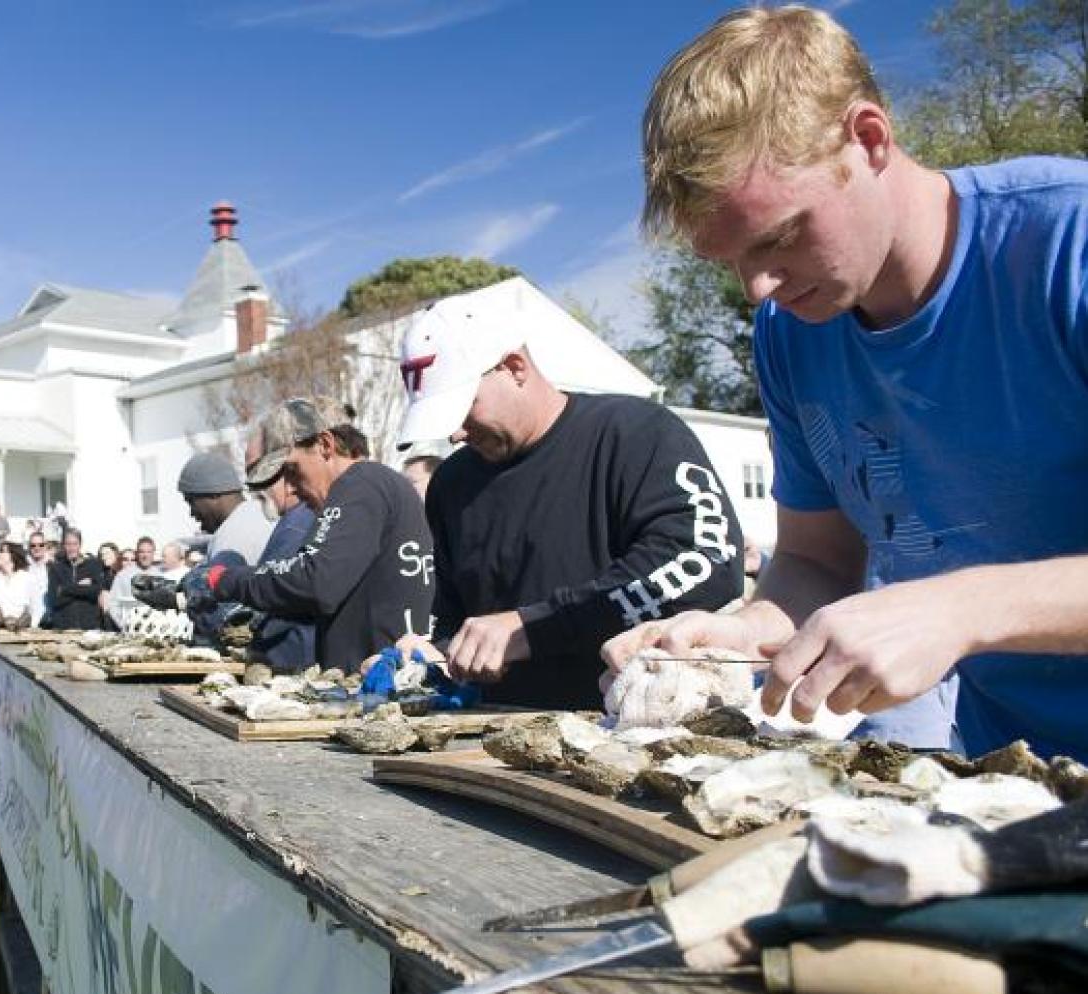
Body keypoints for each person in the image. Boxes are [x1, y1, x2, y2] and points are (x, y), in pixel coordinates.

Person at [604, 4, 1088, 761]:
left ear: (867, 140)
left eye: (779, 237)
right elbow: (817, 561)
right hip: (1018, 769)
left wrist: (962, 608)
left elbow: (951, 611)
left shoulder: (1067, 243)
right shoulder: (791, 331)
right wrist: (744, 633)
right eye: (729, 261)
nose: (758, 289)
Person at [395, 289, 745, 710]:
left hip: (629, 727)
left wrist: (533, 629)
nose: (455, 434)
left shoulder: (635, 434)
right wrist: (437, 655)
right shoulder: (452, 483)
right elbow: (456, 618)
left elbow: (704, 564)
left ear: (515, 367)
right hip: (494, 736)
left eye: (464, 409)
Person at [167, 398, 434, 673]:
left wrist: (222, 579)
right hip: (380, 673)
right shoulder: (375, 485)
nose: (292, 488)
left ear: (325, 446)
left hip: (382, 680)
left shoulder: (360, 484)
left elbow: (317, 582)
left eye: (293, 471)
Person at [240, 420, 317, 672]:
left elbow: (266, 597)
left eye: (258, 470)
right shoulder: (292, 520)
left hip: (295, 665)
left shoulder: (298, 522)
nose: (253, 485)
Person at [176, 451, 272, 565]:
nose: (192, 513)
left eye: (192, 502)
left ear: (213, 493)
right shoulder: (263, 514)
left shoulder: (230, 538)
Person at [45, 528, 104, 630]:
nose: (71, 548)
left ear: (80, 545)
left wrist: (64, 589)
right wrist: (81, 588)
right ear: (63, 545)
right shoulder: (56, 568)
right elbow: (54, 599)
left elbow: (95, 591)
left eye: (74, 544)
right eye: (68, 544)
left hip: (88, 625)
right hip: (63, 626)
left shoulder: (92, 565)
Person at [103, 536, 160, 629]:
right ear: (137, 553)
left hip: (154, 629)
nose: (145, 555)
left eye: (149, 552)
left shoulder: (161, 575)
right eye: (142, 552)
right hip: (129, 630)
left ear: (153, 553)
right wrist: (123, 624)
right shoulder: (122, 576)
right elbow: (113, 603)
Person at [0, 542, 34, 629]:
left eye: (2, 551)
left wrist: (22, 623)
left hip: (22, 631)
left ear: (12, 555)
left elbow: (32, 607)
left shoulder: (26, 577)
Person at [26, 530, 50, 627]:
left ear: (45, 546)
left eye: (40, 545)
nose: (37, 548)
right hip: (28, 622)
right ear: (29, 547)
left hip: (49, 622)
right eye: (33, 545)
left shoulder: (53, 567)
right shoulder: (23, 567)